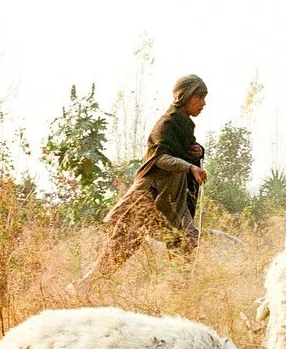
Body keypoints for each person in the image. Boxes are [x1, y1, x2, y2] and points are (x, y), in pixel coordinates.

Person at [77, 74, 209, 285]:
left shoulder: (184, 125)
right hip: (147, 198)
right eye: (199, 97)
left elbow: (182, 152)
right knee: (118, 252)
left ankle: (179, 292)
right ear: (184, 96)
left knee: (187, 238)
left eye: (204, 97)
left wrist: (197, 151)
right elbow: (160, 158)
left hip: (170, 199)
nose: (203, 103)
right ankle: (81, 288)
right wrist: (190, 166)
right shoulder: (166, 124)